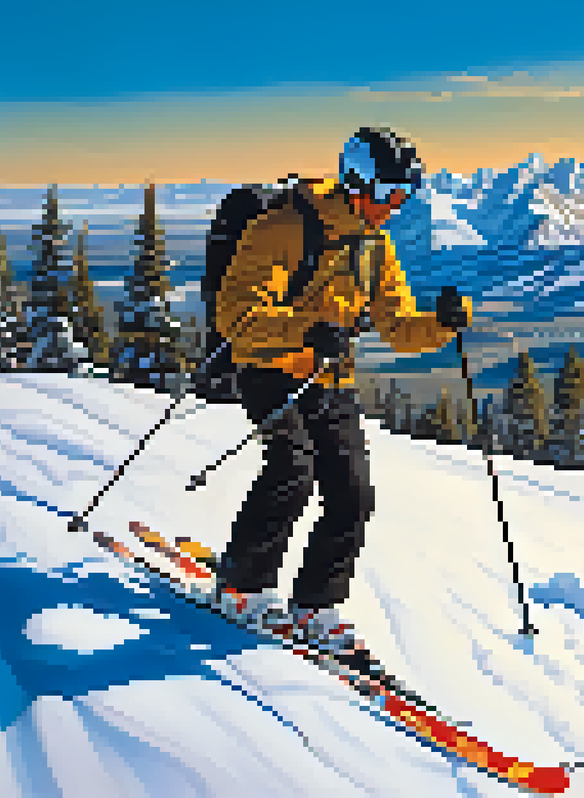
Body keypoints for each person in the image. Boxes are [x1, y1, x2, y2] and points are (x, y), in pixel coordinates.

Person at [213, 127, 473, 652]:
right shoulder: (283, 228)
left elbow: (398, 326)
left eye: (403, 196)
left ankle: (315, 604)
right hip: (268, 367)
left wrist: (442, 325)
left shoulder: (374, 244)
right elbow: (235, 317)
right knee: (292, 467)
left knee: (353, 492)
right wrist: (304, 331)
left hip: (329, 377)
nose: (395, 207)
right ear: (357, 182)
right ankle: (242, 587)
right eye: (388, 195)